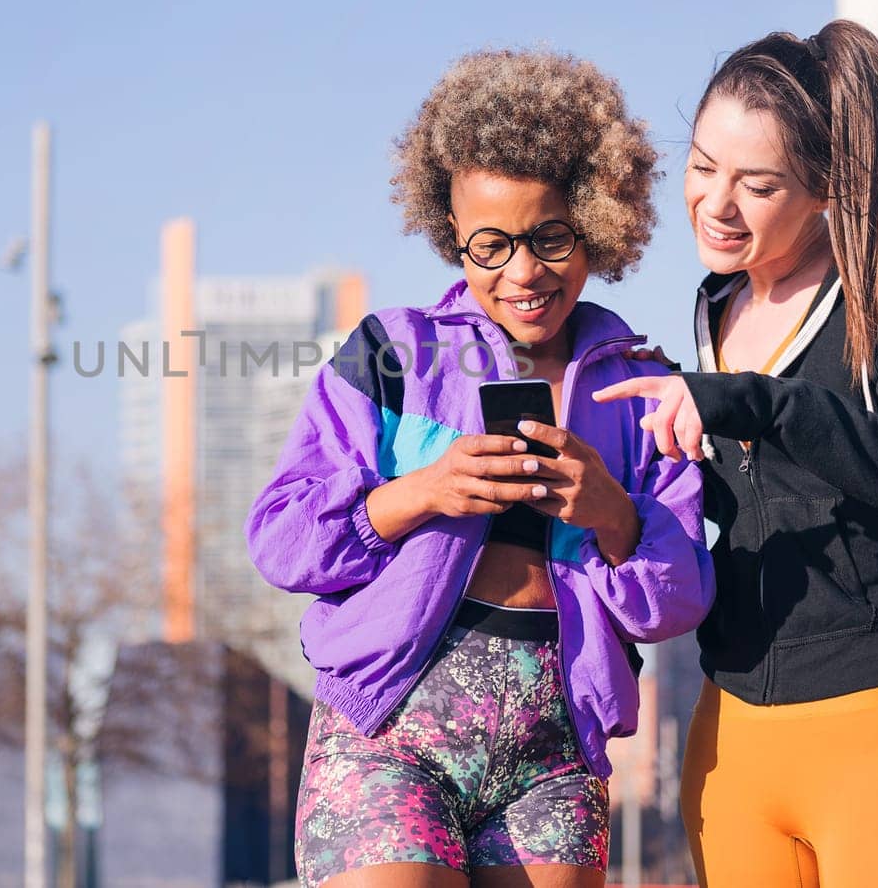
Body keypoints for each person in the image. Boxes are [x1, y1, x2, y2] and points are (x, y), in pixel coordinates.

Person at [246, 48, 715, 888]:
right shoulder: (393, 355)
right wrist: (420, 493)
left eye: (550, 237)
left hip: (555, 750)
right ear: (452, 237)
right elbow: (280, 539)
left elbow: (676, 599)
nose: (523, 272)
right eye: (490, 245)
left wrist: (612, 512)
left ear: (597, 222)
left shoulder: (646, 387)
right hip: (389, 729)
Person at [594, 20, 878, 887]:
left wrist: (759, 402)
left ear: (821, 187)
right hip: (733, 736)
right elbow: (757, 502)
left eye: (758, 184)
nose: (716, 203)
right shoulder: (713, 310)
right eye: (702, 168)